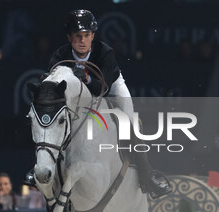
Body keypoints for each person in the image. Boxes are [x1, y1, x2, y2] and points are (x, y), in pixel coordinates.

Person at [23, 9, 172, 199]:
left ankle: (147, 176)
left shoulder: (104, 52)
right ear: (69, 37)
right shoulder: (60, 55)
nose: (82, 41)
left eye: (86, 35)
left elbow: (104, 89)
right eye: (78, 36)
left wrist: (85, 78)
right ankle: (36, 166)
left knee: (129, 123)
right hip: (78, 98)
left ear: (93, 35)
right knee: (50, 123)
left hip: (111, 88)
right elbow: (53, 85)